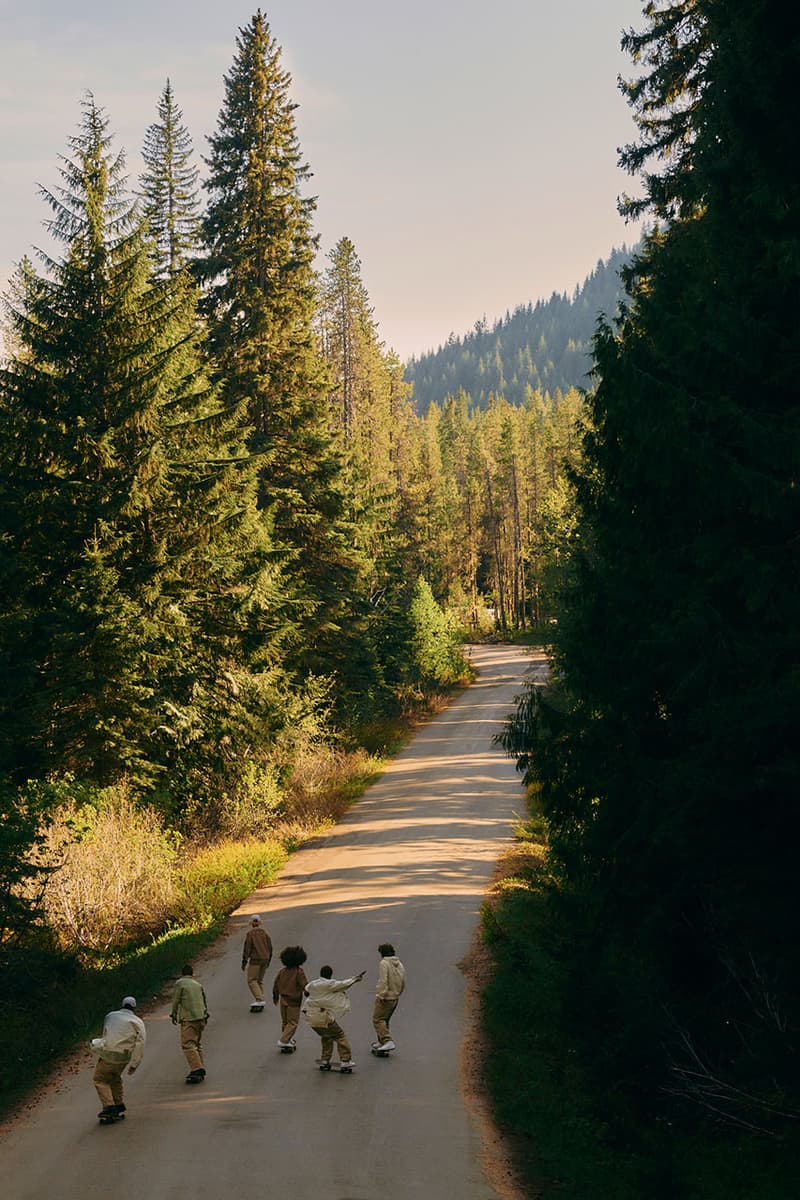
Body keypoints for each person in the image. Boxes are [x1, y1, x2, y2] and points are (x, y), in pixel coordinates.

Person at [91, 995, 145, 1119]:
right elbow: (140, 1043)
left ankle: (109, 1107)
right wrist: (134, 1064)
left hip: (109, 1053)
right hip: (124, 1057)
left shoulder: (110, 1016)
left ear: (122, 1004)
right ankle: (118, 1103)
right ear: (134, 1007)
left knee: (100, 1080)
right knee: (115, 1078)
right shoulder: (137, 1022)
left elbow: (106, 1033)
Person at [302, 965, 365, 1068]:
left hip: (309, 1016)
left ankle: (325, 1059)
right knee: (339, 1035)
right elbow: (344, 984)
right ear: (330, 975)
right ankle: (345, 1060)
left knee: (326, 1036)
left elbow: (306, 991)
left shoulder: (313, 983)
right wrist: (356, 978)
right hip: (321, 1016)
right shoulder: (329, 984)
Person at [170, 963, 209, 1084]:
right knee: (196, 1044)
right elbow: (204, 1000)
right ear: (192, 974)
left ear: (182, 974)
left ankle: (197, 1069)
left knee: (187, 1044)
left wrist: (173, 1014)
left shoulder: (180, 983)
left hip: (189, 1018)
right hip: (201, 1017)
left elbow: (176, 1000)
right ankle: (200, 1067)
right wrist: (205, 1014)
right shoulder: (198, 984)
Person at [272, 945, 308, 1050]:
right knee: (292, 1023)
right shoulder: (299, 972)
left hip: (283, 1000)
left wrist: (275, 997)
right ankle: (284, 1040)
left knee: (285, 1022)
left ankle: (287, 1039)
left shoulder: (282, 971)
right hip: (294, 1001)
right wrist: (308, 993)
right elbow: (304, 985)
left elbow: (275, 984)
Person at [371, 942, 406, 1053]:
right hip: (395, 997)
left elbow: (383, 980)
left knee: (377, 1019)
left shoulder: (384, 963)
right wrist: (398, 992)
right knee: (384, 1020)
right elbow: (403, 980)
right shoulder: (399, 964)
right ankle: (381, 1042)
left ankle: (387, 1041)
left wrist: (381, 994)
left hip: (386, 997)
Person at [241, 914, 273, 1012]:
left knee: (251, 980)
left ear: (251, 923)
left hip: (255, 960)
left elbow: (247, 948)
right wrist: (269, 960)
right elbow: (270, 947)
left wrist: (244, 961)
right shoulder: (265, 933)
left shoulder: (250, 934)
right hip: (265, 959)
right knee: (259, 980)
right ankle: (260, 999)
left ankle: (260, 999)